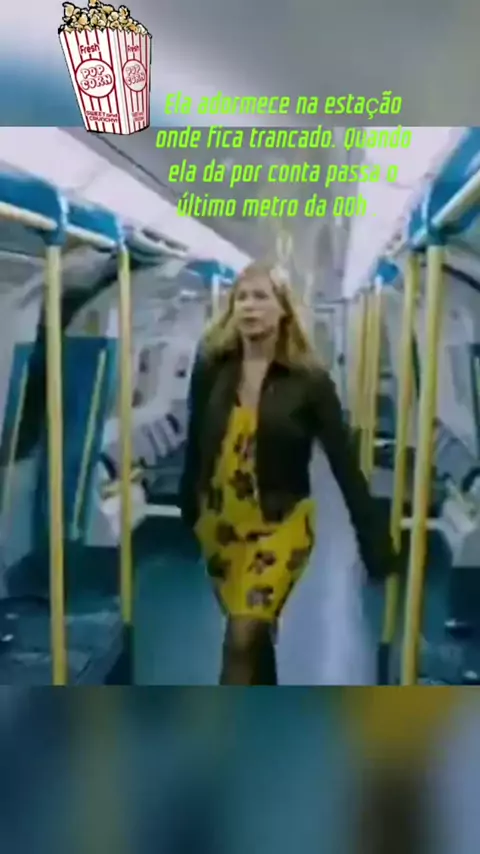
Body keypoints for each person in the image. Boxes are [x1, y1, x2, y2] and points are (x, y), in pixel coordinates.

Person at [179, 261, 400, 685]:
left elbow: (345, 464)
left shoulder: (309, 382)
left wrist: (374, 543)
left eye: (261, 297)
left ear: (283, 309)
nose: (249, 306)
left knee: (240, 638)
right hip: (221, 526)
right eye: (241, 297)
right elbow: (196, 440)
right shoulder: (212, 368)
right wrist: (188, 508)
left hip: (280, 527)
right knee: (254, 637)